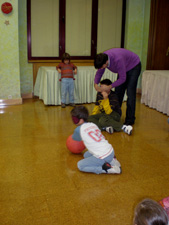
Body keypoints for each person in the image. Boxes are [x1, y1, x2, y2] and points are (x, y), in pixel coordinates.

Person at [94, 48, 141, 125]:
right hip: (124, 66)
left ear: (106, 62)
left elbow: (123, 78)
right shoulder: (103, 58)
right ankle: (115, 116)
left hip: (134, 66)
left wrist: (110, 86)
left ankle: (130, 120)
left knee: (130, 93)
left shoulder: (118, 60)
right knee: (118, 92)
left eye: (102, 67)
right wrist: (96, 84)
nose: (101, 69)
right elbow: (99, 72)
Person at [70, 106, 121, 174]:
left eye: (74, 119)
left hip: (103, 156)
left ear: (81, 120)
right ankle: (112, 160)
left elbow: (75, 138)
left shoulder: (78, 130)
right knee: (86, 155)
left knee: (80, 165)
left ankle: (106, 169)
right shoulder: (93, 124)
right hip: (110, 151)